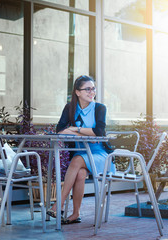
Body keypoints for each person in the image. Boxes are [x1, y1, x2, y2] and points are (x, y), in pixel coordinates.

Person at [46, 75, 115, 224]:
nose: (92, 92)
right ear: (77, 92)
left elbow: (99, 132)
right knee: (80, 174)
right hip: (81, 152)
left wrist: (75, 128)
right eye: (87, 89)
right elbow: (60, 130)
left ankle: (59, 204)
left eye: (93, 88)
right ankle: (75, 213)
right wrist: (84, 132)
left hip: (100, 154)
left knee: (77, 161)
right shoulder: (70, 108)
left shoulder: (99, 108)